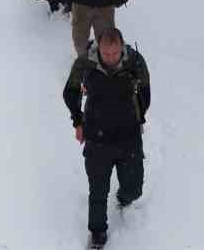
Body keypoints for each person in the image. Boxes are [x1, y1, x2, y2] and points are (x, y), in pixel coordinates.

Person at [63, 27, 150, 248]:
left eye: (115, 53)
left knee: (134, 187)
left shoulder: (135, 62)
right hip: (97, 137)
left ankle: (124, 197)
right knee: (98, 190)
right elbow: (70, 92)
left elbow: (146, 92)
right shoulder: (85, 63)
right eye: (106, 53)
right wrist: (78, 121)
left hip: (128, 135)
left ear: (121, 47)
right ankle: (98, 233)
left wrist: (139, 117)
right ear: (99, 48)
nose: (111, 58)